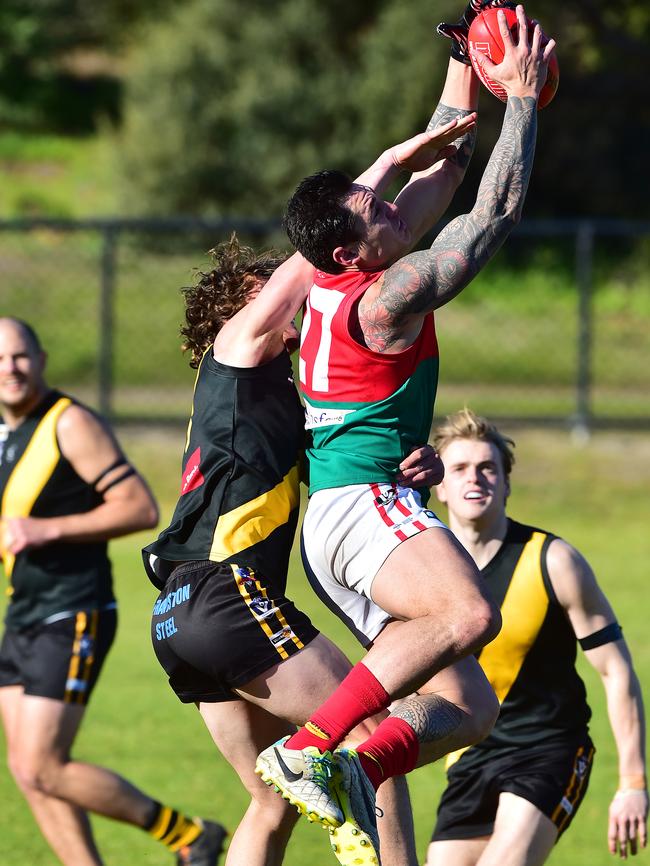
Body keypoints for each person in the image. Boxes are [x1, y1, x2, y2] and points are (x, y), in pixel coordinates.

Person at [256, 1, 557, 853]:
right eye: (376, 210)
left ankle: (356, 762)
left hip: (354, 509)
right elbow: (487, 220)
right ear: (353, 251)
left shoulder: (340, 273)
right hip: (359, 510)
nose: (392, 207)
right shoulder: (384, 299)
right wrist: (525, 100)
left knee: (470, 706)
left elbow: (444, 169)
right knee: (470, 615)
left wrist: (466, 54)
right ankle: (310, 750)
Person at [141, 112, 468, 866]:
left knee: (267, 801)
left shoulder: (279, 402)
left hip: (178, 616)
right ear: (241, 309)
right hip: (226, 599)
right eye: (268, 291)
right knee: (366, 740)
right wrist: (387, 161)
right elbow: (311, 254)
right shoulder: (236, 351)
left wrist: (407, 464)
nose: (298, 294)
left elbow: (345, 463)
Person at [0, 317, 226, 866]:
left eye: (20, 356)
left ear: (42, 357)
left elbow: (138, 507)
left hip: (71, 609)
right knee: (29, 773)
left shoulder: (68, 422)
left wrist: (46, 530)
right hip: (22, 613)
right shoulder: (6, 432)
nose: (10, 369)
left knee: (42, 766)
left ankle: (189, 836)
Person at [425, 407, 648, 865]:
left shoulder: (554, 561)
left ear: (506, 483)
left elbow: (616, 670)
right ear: (440, 486)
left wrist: (633, 785)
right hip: (468, 760)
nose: (476, 478)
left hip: (548, 749)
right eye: (460, 468)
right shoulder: (424, 576)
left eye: (489, 468)